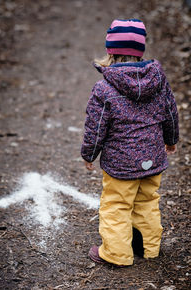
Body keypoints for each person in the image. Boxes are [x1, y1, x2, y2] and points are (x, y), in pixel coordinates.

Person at [81, 19, 179, 266]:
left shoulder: (104, 88)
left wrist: (89, 154)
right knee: (147, 201)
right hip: (153, 157)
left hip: (121, 164)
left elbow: (96, 126)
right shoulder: (158, 80)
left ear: (110, 51)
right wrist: (171, 139)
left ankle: (116, 255)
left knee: (117, 206)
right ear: (140, 51)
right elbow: (170, 111)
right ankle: (149, 249)